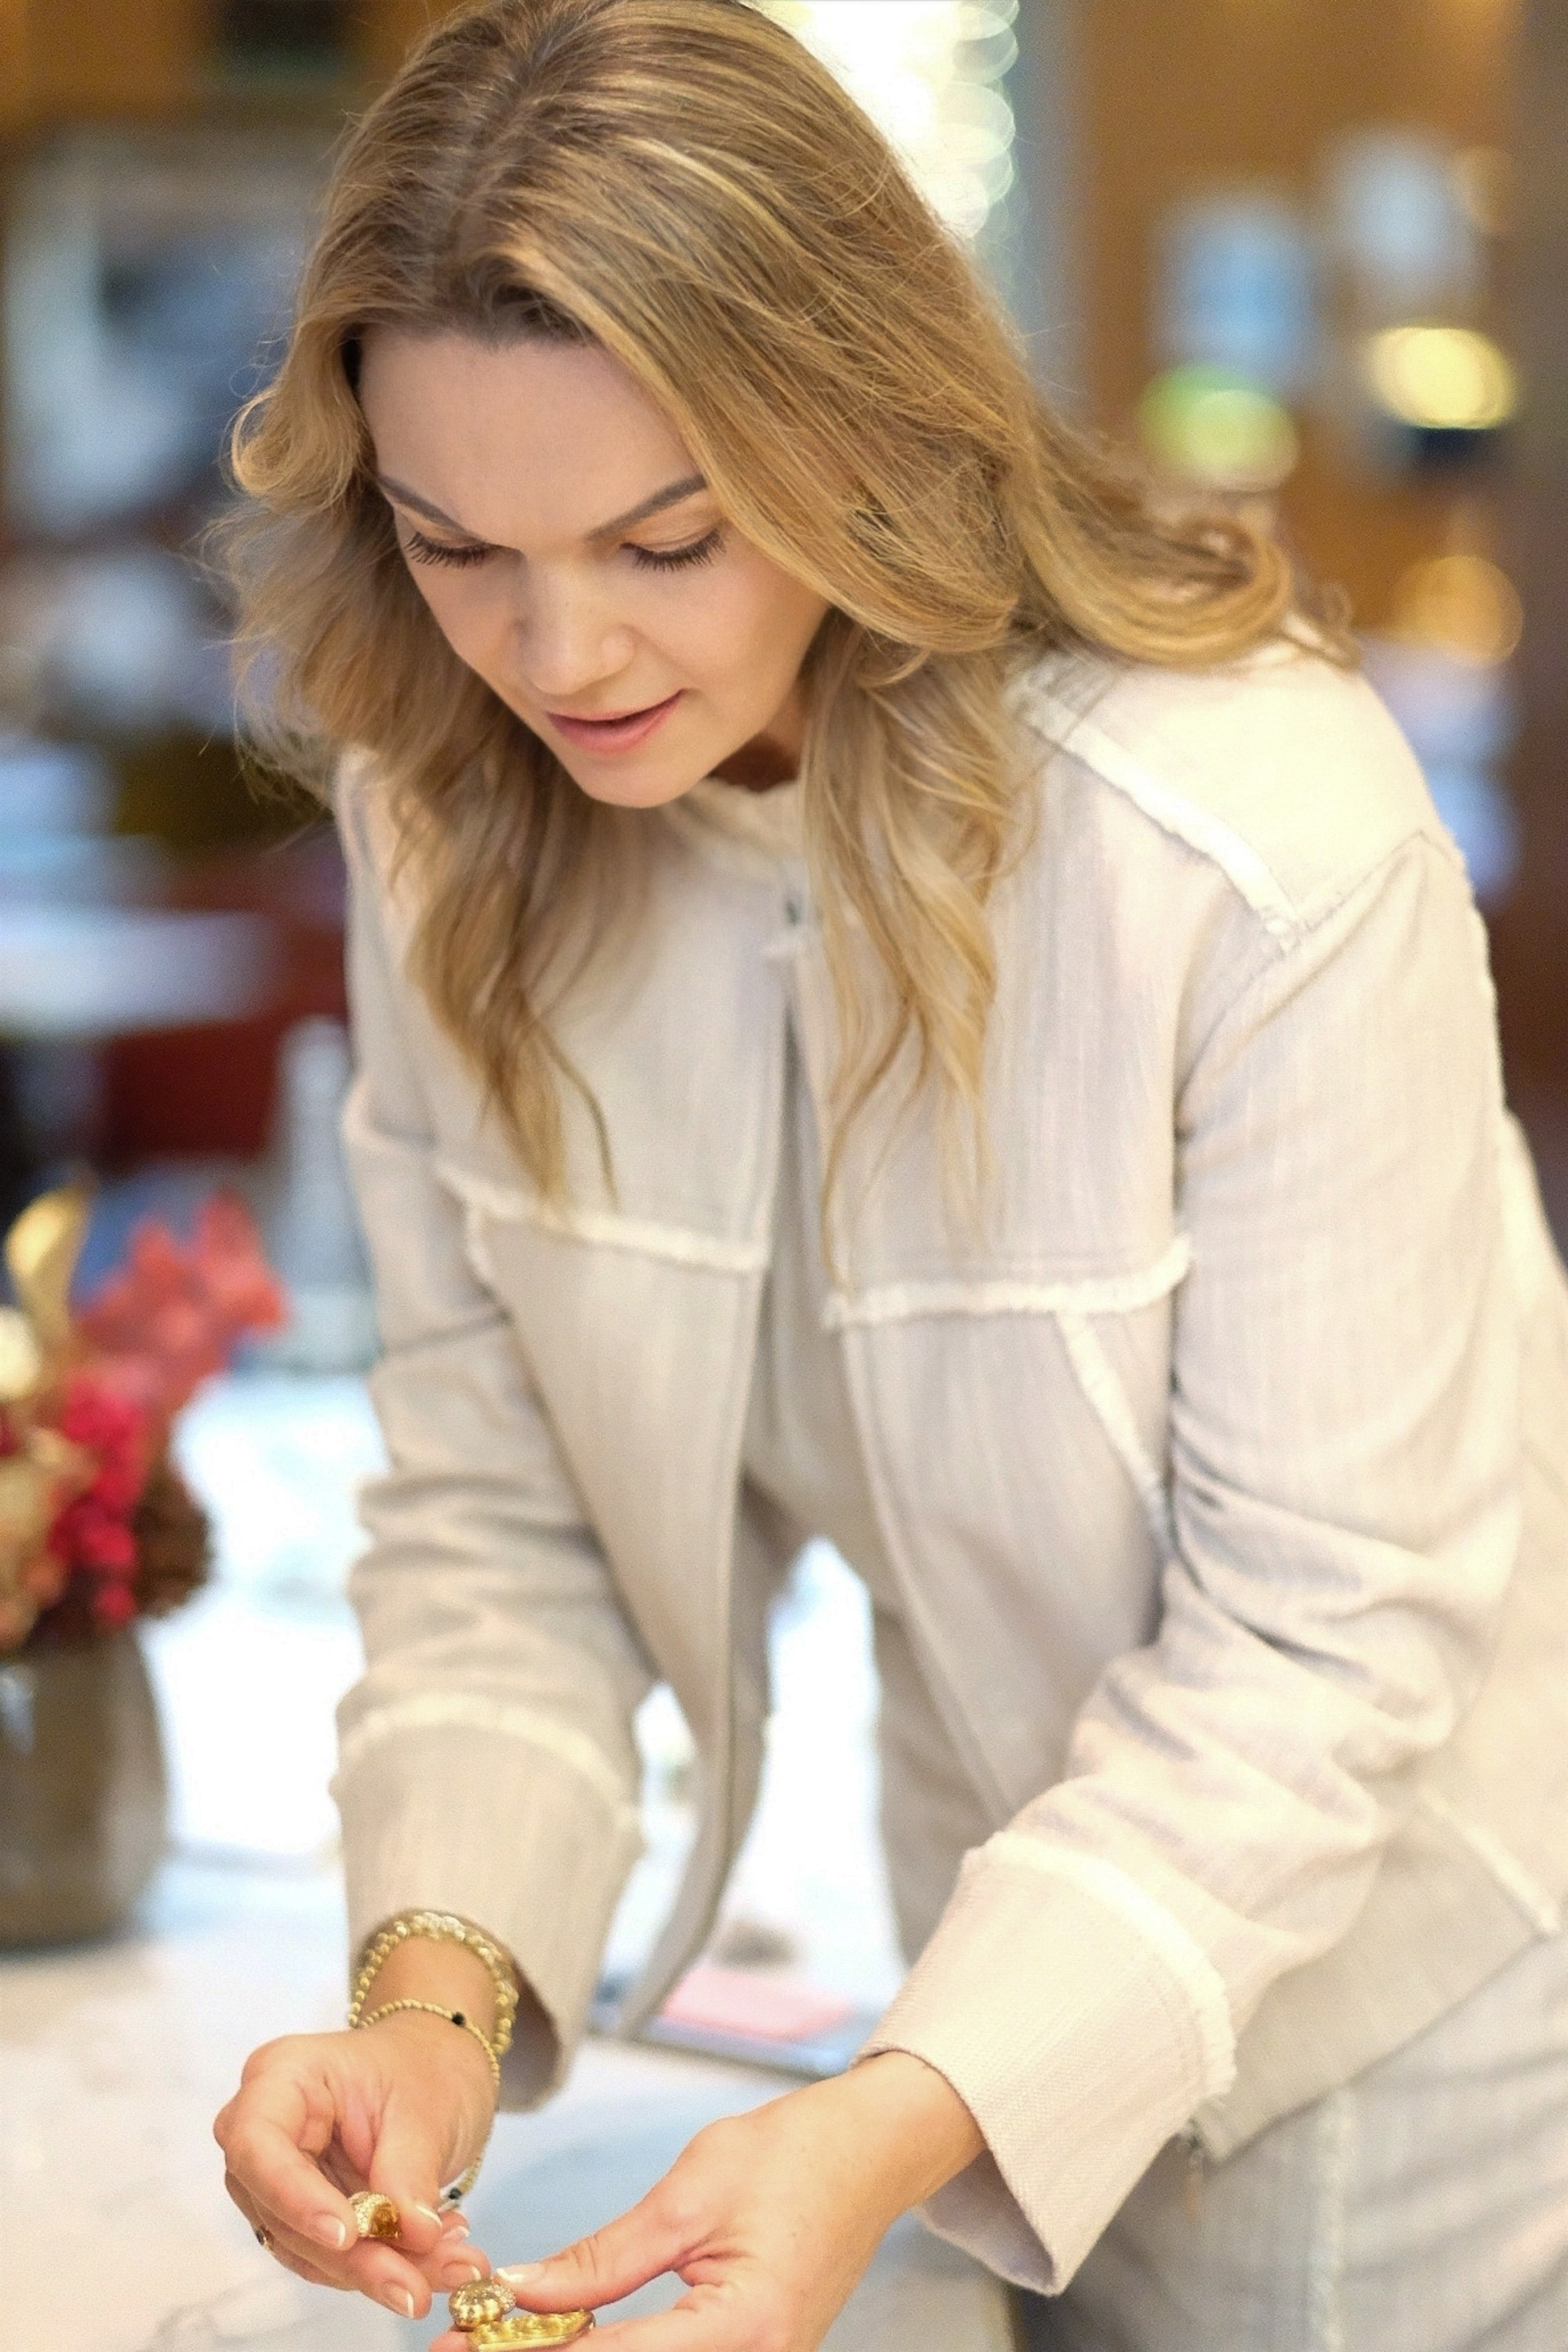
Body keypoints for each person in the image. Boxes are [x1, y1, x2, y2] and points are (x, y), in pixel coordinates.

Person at [212, 2, 1568, 2345]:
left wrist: (895, 2110)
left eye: (663, 537)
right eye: (456, 547)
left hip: (1414, 2039)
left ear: (856, 429)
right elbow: (504, 1513)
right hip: (969, 1985)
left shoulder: (1243, 835)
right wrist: (431, 2003)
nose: (559, 649)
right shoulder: (448, 820)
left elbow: (1324, 1644)